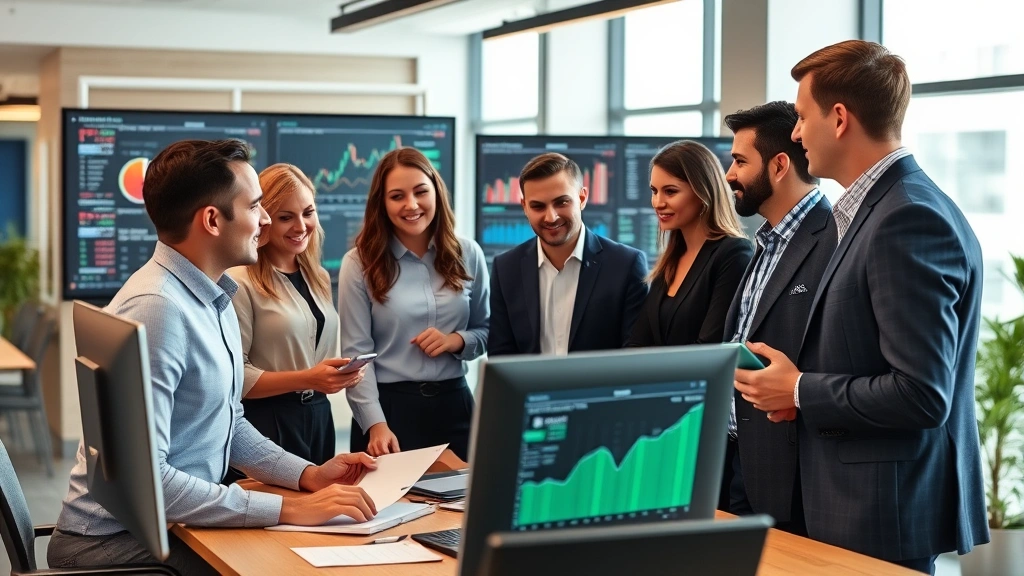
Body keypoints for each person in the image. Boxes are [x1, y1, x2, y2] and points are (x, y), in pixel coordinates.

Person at [48, 140, 377, 574]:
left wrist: (307, 475)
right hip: (112, 543)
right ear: (212, 220)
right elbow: (150, 481)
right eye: (255, 206)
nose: (265, 220)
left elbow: (229, 423)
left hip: (164, 526)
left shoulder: (213, 296)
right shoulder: (158, 308)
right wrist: (288, 508)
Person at [734, 40, 989, 574]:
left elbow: (922, 394)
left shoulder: (907, 217)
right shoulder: (873, 211)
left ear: (839, 118)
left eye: (803, 117)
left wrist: (799, 388)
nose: (796, 133)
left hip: (879, 512)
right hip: (855, 503)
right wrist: (798, 395)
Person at [719, 101, 835, 536]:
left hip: (794, 479)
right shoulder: (766, 241)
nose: (729, 174)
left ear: (780, 165)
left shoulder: (836, 237)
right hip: (742, 462)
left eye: (739, 161)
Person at [623, 140, 751, 511]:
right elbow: (635, 344)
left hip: (704, 434)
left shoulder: (732, 254)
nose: (657, 202)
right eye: (654, 191)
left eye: (670, 191)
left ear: (702, 191)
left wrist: (648, 373)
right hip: (662, 430)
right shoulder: (671, 258)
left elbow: (707, 354)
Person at [339, 147, 488, 462]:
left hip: (456, 406)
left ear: (436, 192)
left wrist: (456, 340)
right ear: (382, 203)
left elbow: (488, 330)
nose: (411, 204)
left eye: (421, 192)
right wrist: (375, 424)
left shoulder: (468, 253)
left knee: (463, 495)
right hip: (390, 413)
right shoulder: (359, 262)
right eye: (397, 196)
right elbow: (356, 355)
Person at [227, 163, 364, 474]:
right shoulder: (239, 280)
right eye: (285, 217)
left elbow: (313, 355)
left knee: (323, 502)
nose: (301, 226)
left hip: (319, 416)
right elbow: (236, 378)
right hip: (265, 422)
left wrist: (340, 374)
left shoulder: (318, 276)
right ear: (263, 219)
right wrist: (309, 378)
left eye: (308, 212)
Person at [488, 152, 648, 356]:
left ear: (582, 198)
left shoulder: (626, 265)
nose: (551, 217)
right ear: (525, 207)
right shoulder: (505, 268)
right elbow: (500, 356)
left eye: (561, 202)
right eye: (538, 206)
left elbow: (634, 356)